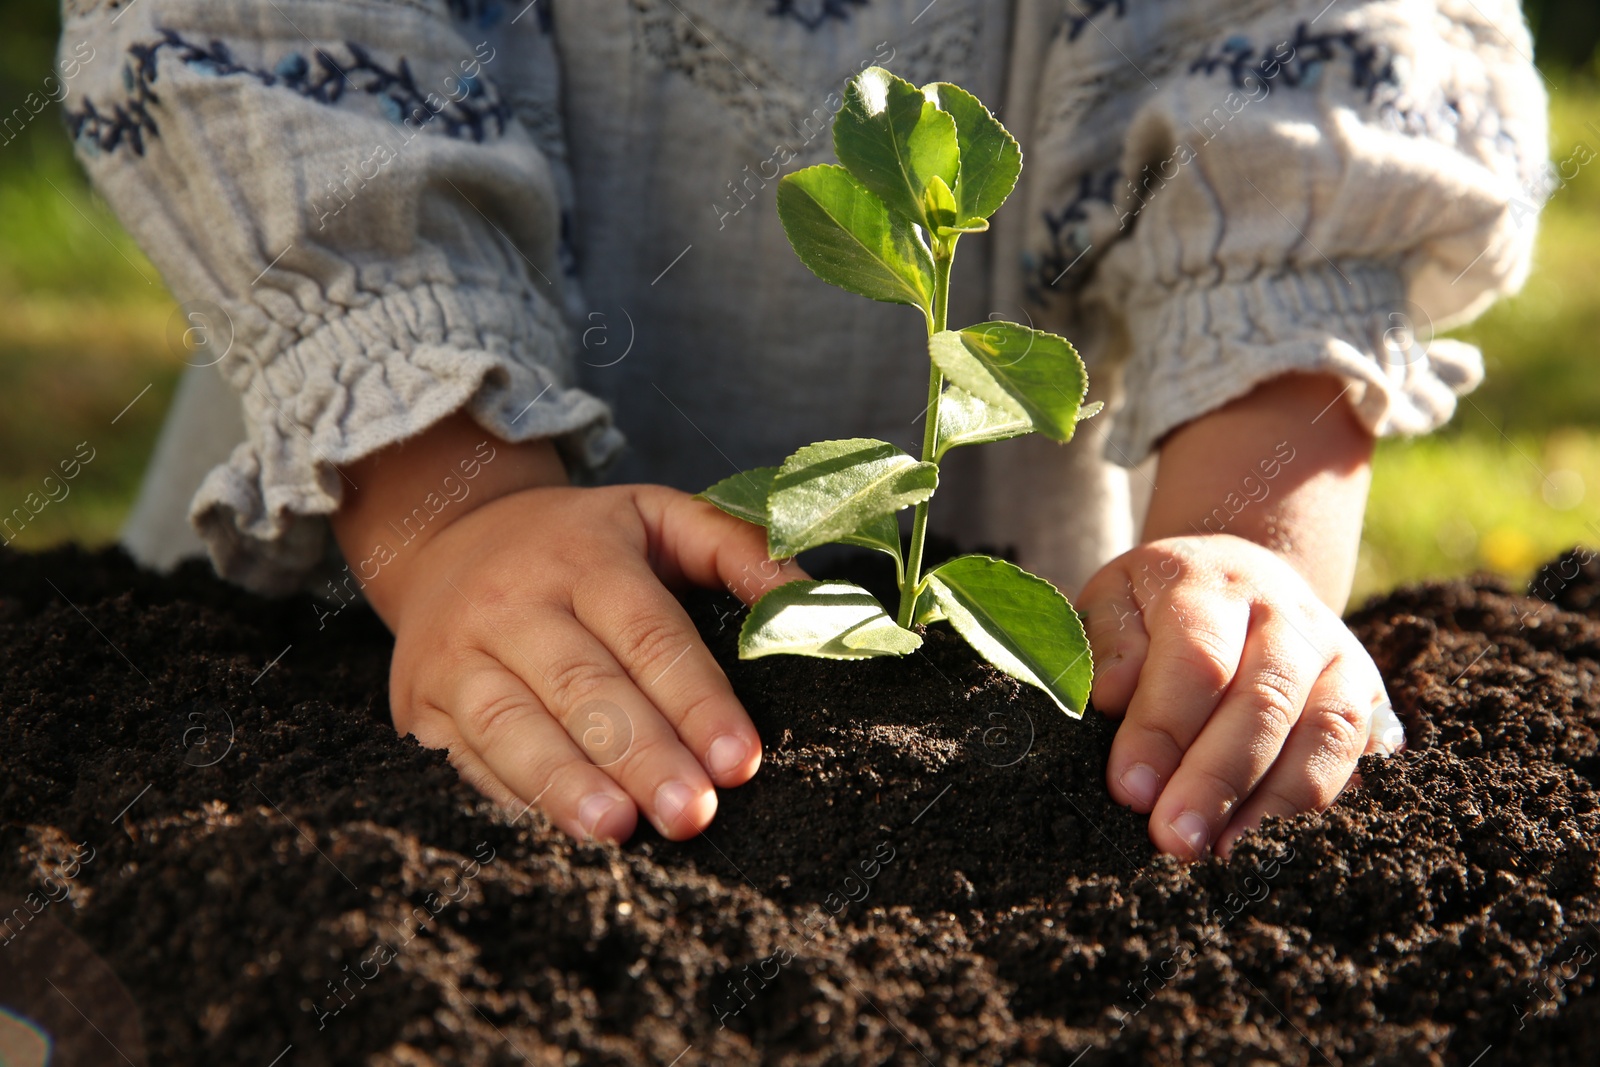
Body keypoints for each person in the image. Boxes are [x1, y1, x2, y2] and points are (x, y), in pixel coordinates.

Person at [62, 0, 1546, 859]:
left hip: (1039, 576)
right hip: (382, 524)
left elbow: (1300, 70)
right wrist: (452, 515)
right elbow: (275, 47)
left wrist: (1243, 536)